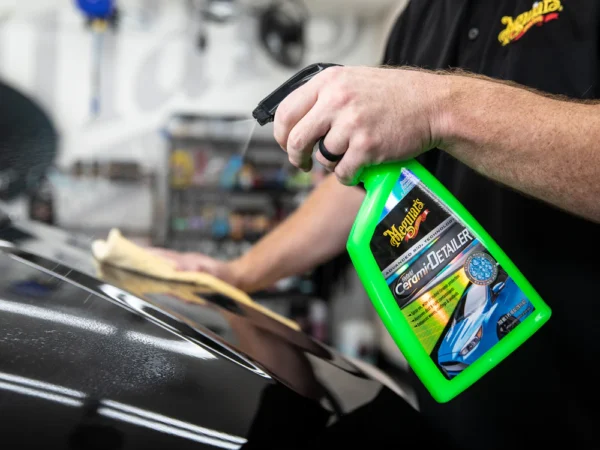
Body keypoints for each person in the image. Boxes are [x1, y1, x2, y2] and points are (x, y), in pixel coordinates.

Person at [153, 0, 600, 448]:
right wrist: (236, 275)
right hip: (457, 423)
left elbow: (430, 115)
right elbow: (373, 185)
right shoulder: (421, 16)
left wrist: (438, 110)